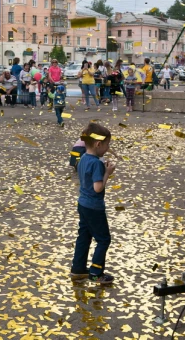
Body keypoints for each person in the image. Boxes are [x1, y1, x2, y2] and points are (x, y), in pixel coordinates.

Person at [70, 122, 116, 284]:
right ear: (98, 144)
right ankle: (96, 273)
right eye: (107, 144)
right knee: (103, 239)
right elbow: (98, 188)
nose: (108, 148)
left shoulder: (83, 158)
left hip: (83, 204)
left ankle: (78, 268)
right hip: (94, 207)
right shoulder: (96, 163)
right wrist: (107, 173)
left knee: (84, 235)